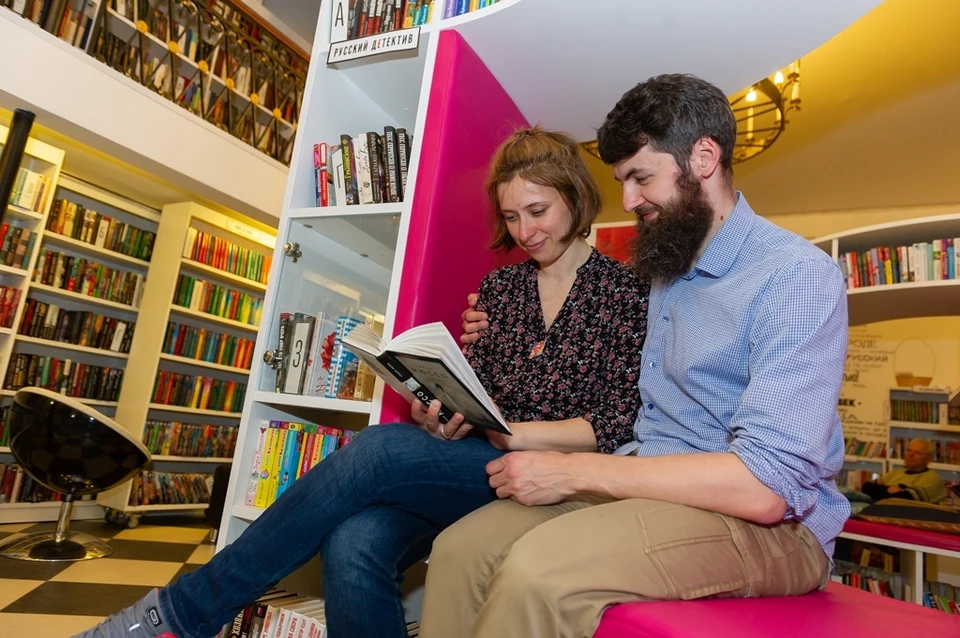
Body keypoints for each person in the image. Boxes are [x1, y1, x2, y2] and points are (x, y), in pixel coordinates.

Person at [75, 128, 650, 638]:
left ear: (576, 198)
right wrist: (437, 414)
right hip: (474, 465)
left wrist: (517, 435)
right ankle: (179, 616)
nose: (524, 230)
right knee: (353, 543)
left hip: (552, 474)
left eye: (538, 210)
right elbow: (478, 397)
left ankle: (180, 614)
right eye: (511, 216)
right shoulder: (501, 290)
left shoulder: (627, 292)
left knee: (377, 451)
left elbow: (617, 422)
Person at [417, 73, 851, 638]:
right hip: (649, 480)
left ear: (703, 158)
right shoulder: (666, 268)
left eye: (641, 178)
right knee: (460, 551)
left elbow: (766, 487)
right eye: (622, 181)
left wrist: (570, 470)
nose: (627, 201)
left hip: (772, 526)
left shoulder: (795, 276)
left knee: (538, 571)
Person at [861, 438, 948, 503]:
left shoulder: (932, 478)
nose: (910, 454)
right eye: (909, 450)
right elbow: (867, 487)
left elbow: (905, 499)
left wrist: (881, 491)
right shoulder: (896, 472)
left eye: (917, 453)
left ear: (929, 459)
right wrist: (889, 489)